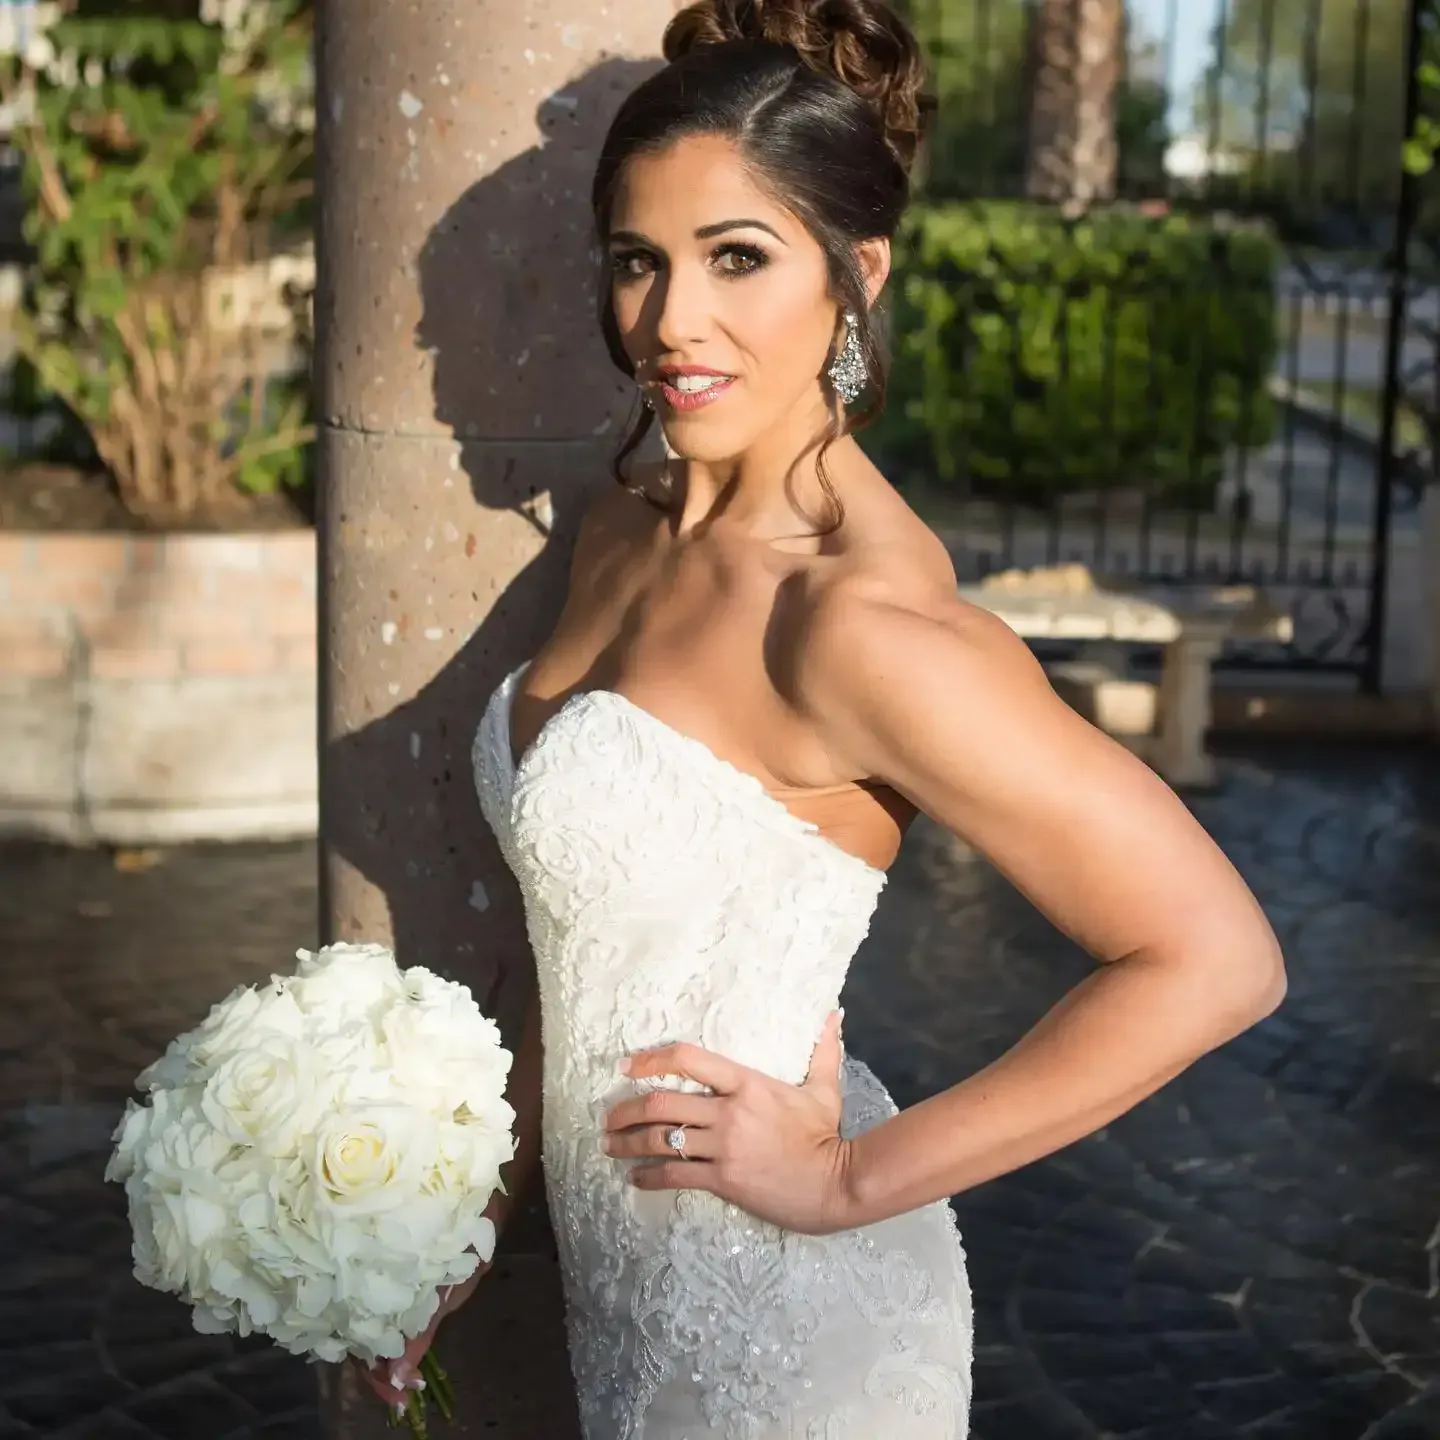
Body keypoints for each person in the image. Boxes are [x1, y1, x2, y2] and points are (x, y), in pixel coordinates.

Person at [364, 0, 1287, 1434]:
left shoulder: (856, 623)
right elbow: (584, 929)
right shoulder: (626, 524)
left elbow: (1216, 960)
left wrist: (850, 1177)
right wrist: (469, 1220)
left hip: (789, 1336)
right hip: (635, 1314)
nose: (672, 322)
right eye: (638, 261)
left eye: (738, 257)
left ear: (859, 272)